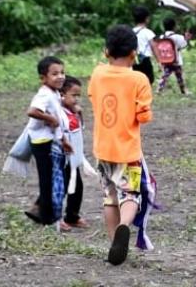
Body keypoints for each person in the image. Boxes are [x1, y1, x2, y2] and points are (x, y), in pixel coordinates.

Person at [88, 25, 154, 265]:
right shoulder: (139, 78)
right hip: (128, 150)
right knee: (131, 196)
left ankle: (112, 242)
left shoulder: (97, 74)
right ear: (134, 53)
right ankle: (123, 228)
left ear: (106, 51)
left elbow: (93, 98)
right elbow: (144, 116)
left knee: (109, 197)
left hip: (102, 148)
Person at [24, 56, 72, 226]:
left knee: (56, 178)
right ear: (43, 78)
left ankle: (42, 209)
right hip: (43, 143)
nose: (60, 77)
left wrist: (64, 139)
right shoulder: (44, 93)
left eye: (62, 72)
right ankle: (48, 218)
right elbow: (32, 111)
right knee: (49, 180)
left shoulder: (54, 93)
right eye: (55, 74)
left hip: (53, 141)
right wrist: (50, 119)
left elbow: (59, 119)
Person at [58, 75, 91, 231]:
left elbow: (78, 130)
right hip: (61, 158)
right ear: (61, 94)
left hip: (73, 160)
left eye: (78, 96)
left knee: (77, 187)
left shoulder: (72, 112)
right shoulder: (58, 112)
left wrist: (79, 114)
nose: (77, 99)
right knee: (61, 188)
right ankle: (55, 218)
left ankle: (72, 216)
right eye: (74, 95)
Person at [156, 18, 191, 94]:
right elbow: (183, 45)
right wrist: (187, 39)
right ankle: (183, 90)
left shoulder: (162, 36)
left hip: (165, 59)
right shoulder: (177, 36)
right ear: (174, 27)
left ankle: (159, 88)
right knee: (180, 76)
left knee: (165, 75)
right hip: (176, 60)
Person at [132, 6, 156, 85]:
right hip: (145, 59)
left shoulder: (131, 32)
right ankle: (145, 93)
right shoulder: (148, 32)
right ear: (147, 19)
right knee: (149, 78)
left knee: (136, 78)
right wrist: (158, 59)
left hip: (134, 59)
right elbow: (153, 46)